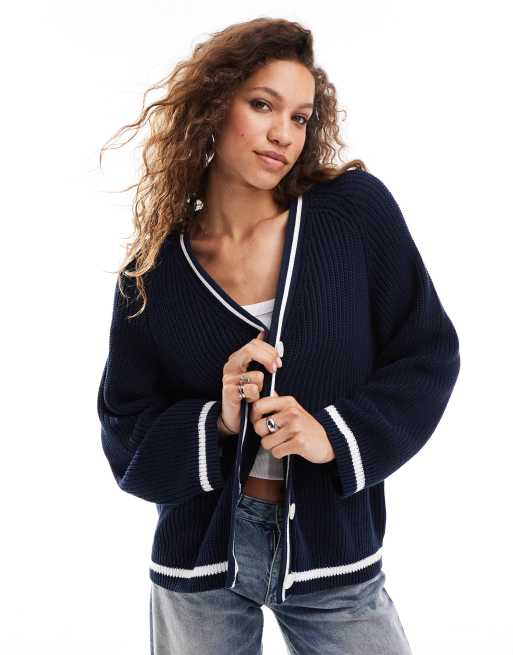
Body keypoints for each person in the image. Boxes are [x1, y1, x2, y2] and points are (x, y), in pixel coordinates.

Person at [97, 17, 460, 655]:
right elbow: (125, 433)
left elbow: (427, 353)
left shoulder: (351, 213)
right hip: (199, 563)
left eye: (300, 117)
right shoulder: (152, 276)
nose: (282, 134)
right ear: (214, 107)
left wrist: (333, 434)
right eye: (263, 105)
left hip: (331, 551)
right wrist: (219, 420)